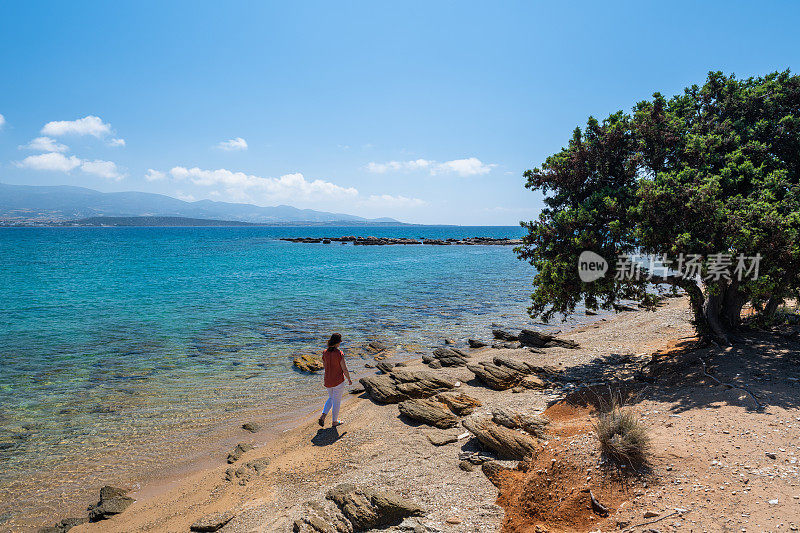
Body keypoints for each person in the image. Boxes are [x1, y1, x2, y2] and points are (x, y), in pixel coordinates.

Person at [318, 333, 352, 428]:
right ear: (337, 342)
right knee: (336, 401)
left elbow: (325, 366)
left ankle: (323, 415)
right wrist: (349, 379)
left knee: (331, 398)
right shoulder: (339, 353)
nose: (341, 342)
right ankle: (334, 422)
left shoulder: (325, 352)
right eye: (340, 340)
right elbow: (344, 369)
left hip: (328, 380)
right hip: (338, 381)